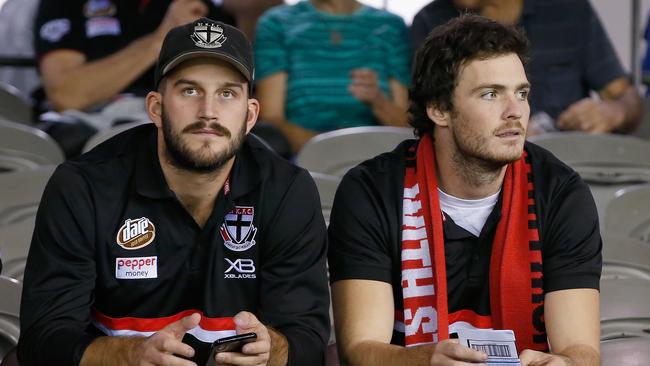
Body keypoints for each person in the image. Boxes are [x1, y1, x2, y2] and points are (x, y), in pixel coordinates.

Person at [19, 18, 330, 366]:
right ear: (155, 107)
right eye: (189, 91)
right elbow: (43, 340)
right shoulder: (83, 186)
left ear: (250, 115)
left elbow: (308, 340)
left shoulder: (286, 189)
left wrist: (273, 349)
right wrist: (132, 355)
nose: (208, 112)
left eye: (227, 93)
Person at [328, 15, 602, 365]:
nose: (515, 111)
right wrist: (427, 361)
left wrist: (564, 364)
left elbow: (582, 351)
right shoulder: (371, 191)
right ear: (439, 109)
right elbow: (360, 351)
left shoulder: (562, 193)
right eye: (491, 94)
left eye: (522, 93)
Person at [410, 0, 643, 136]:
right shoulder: (429, 22)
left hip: (567, 167)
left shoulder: (570, 10)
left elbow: (625, 96)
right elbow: (424, 118)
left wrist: (613, 112)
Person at [254, 0, 411, 153]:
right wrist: (333, 150)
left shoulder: (391, 25)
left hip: (377, 158)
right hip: (304, 158)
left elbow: (406, 126)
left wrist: (379, 102)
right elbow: (272, 119)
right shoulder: (276, 23)